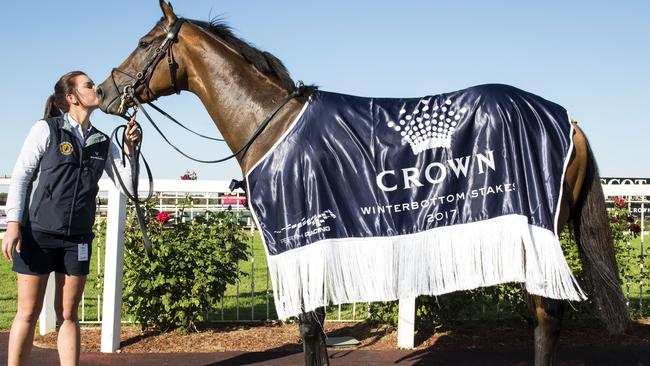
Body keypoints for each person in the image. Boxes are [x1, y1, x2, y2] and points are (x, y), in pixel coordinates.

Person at [1, 71, 140, 366]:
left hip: (77, 238)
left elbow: (127, 186)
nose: (96, 88)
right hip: (37, 233)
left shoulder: (102, 141)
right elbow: (22, 177)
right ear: (72, 97)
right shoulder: (46, 130)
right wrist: (14, 224)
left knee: (68, 313)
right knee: (28, 311)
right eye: (89, 85)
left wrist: (131, 151)